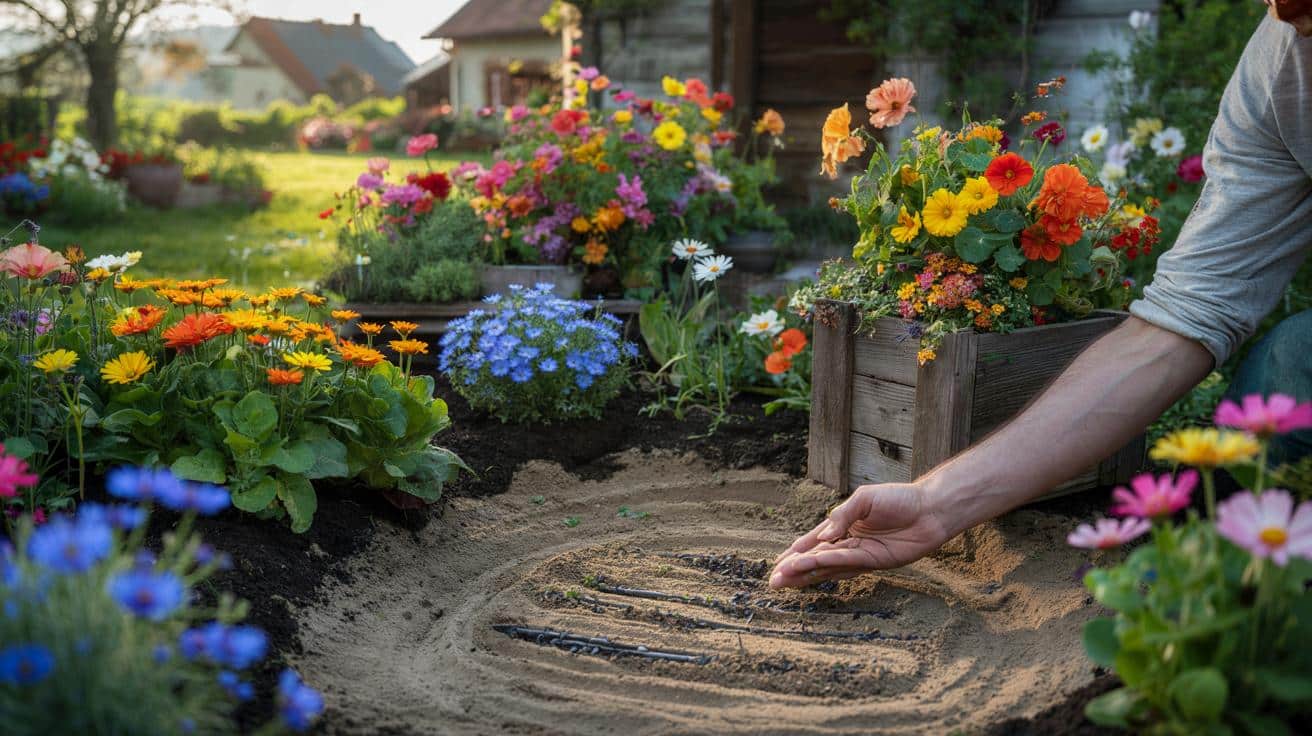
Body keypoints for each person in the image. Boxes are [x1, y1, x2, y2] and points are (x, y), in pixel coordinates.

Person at [769, 4, 1312, 589]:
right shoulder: (1284, 67)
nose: (1284, 9)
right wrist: (936, 503)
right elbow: (1182, 322)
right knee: (1286, 371)